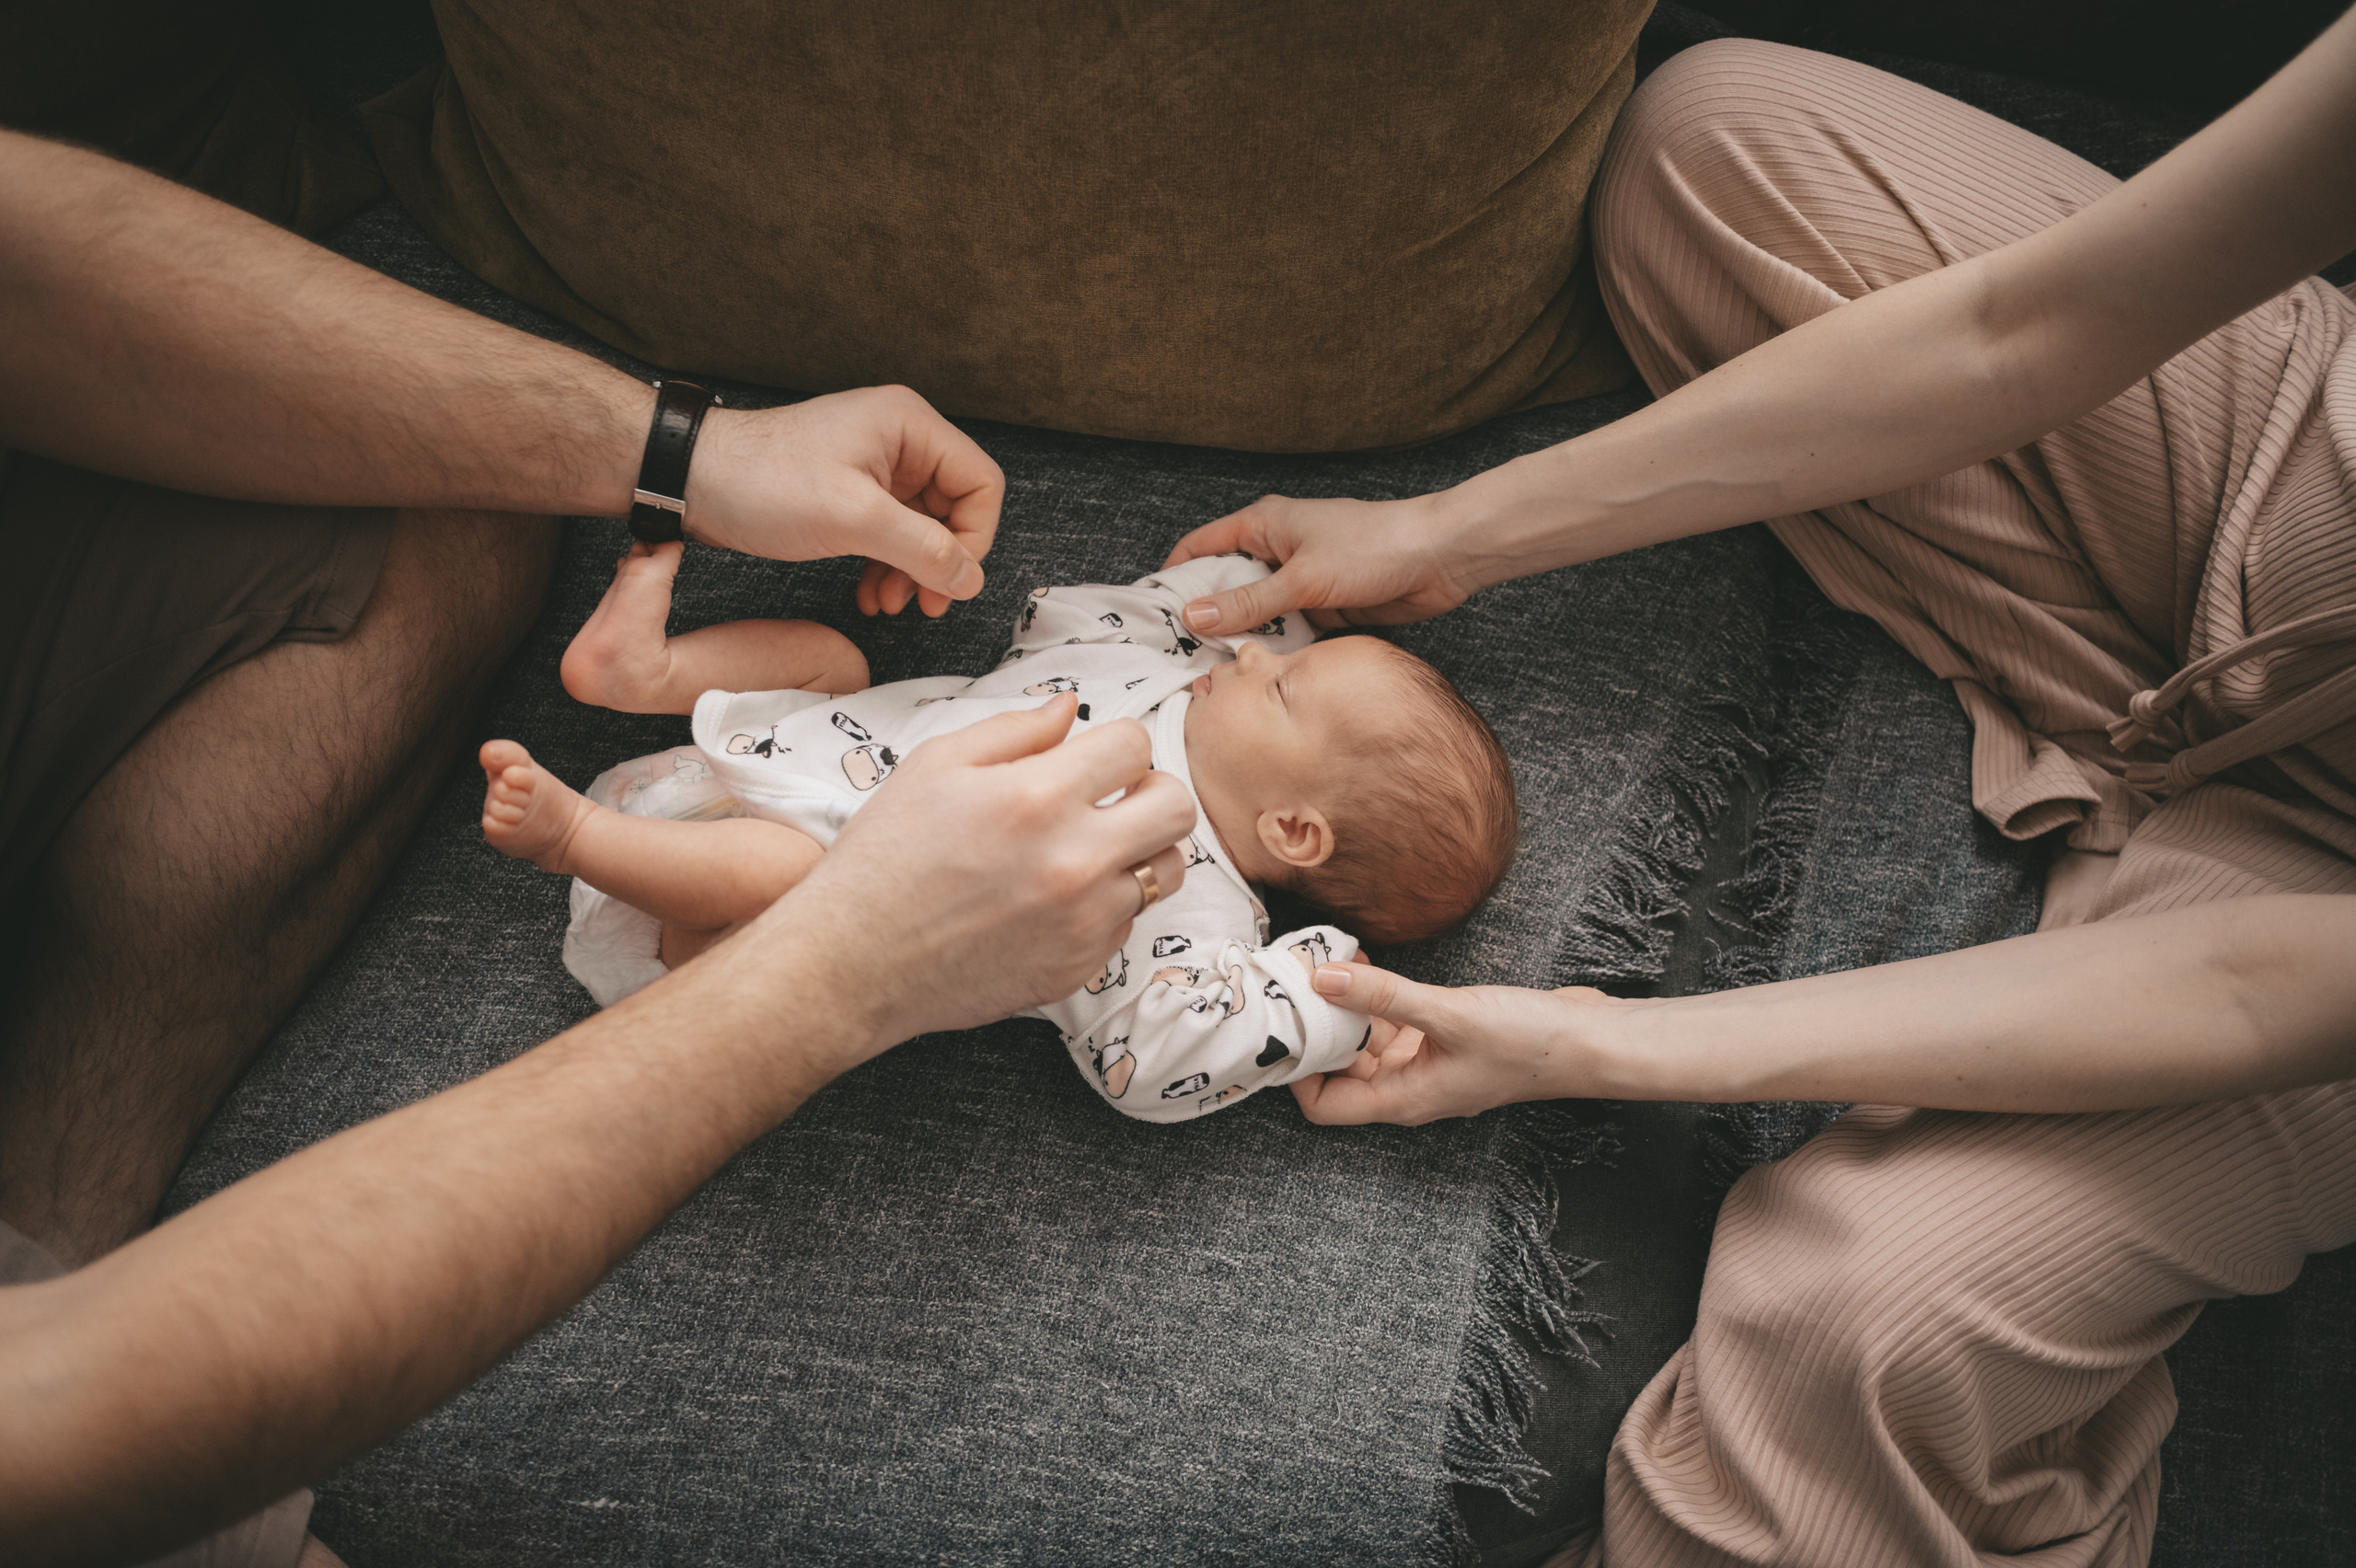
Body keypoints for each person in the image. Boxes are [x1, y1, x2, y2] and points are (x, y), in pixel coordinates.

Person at [1160, 8, 2356, 1564]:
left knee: (1856, 1324)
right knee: (1707, 155)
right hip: (2297, 527)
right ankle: (2096, 709)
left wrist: (1603, 1039)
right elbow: (2021, 327)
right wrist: (1447, 535)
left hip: (2303, 940)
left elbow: (2253, 987)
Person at [0, 126, 1161, 1566]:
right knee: (817, 742)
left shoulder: (1230, 878)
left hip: (811, 791)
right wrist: (852, 962)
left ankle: (49, 1242)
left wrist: (691, 453)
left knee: (468, 509)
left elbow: (24, 261)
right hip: (842, 799)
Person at [480, 548, 1517, 1120]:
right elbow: (1073, 618)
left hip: (748, 921)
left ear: (1292, 829)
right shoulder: (1177, 672)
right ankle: (643, 675)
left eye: (1282, 684)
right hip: (797, 743)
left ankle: (573, 836)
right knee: (835, 658)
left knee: (792, 870)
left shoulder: (1182, 903)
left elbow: (1156, 1061)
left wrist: (1323, 992)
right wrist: (1261, 589)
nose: (1248, 659)